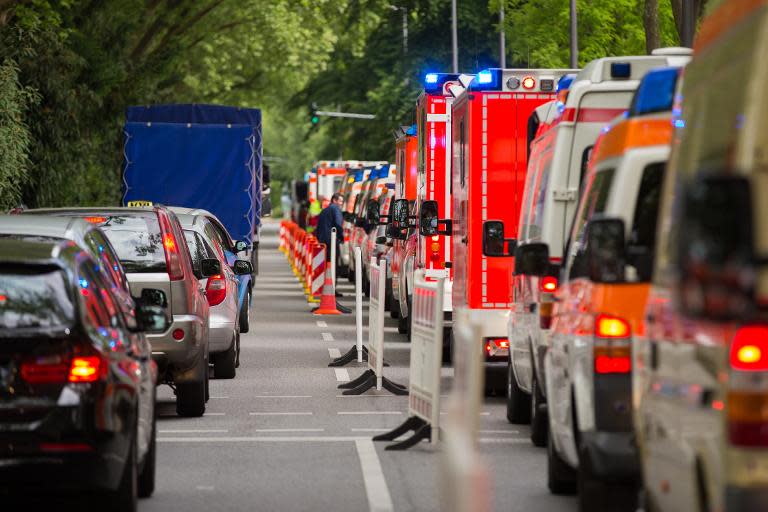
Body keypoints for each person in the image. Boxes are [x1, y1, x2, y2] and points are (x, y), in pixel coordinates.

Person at [315, 193, 350, 313]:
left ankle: (330, 291)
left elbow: (318, 227)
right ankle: (332, 291)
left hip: (324, 241)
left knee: (328, 267)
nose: (341, 203)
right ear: (334, 200)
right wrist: (341, 236)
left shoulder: (325, 210)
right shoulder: (335, 209)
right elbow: (338, 225)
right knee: (333, 267)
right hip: (332, 241)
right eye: (340, 201)